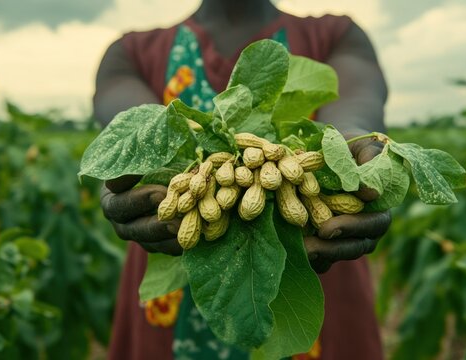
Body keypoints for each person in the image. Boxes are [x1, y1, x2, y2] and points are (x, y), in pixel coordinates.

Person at [93, 0, 391, 359]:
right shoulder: (131, 54)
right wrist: (122, 174)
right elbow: (128, 132)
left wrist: (350, 143)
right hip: (176, 249)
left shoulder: (336, 36)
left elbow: (354, 105)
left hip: (312, 257)